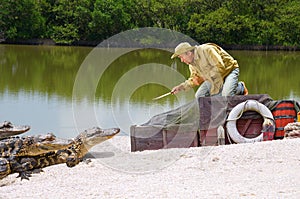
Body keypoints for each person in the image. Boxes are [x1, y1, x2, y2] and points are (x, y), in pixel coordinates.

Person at [170, 42, 248, 98]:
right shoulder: (192, 64)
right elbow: (194, 80)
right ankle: (208, 116)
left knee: (226, 95)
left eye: (181, 57)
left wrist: (204, 77)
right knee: (199, 96)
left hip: (229, 71)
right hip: (212, 77)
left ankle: (240, 88)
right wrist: (181, 87)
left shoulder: (207, 50)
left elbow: (220, 67)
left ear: (189, 53)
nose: (182, 60)